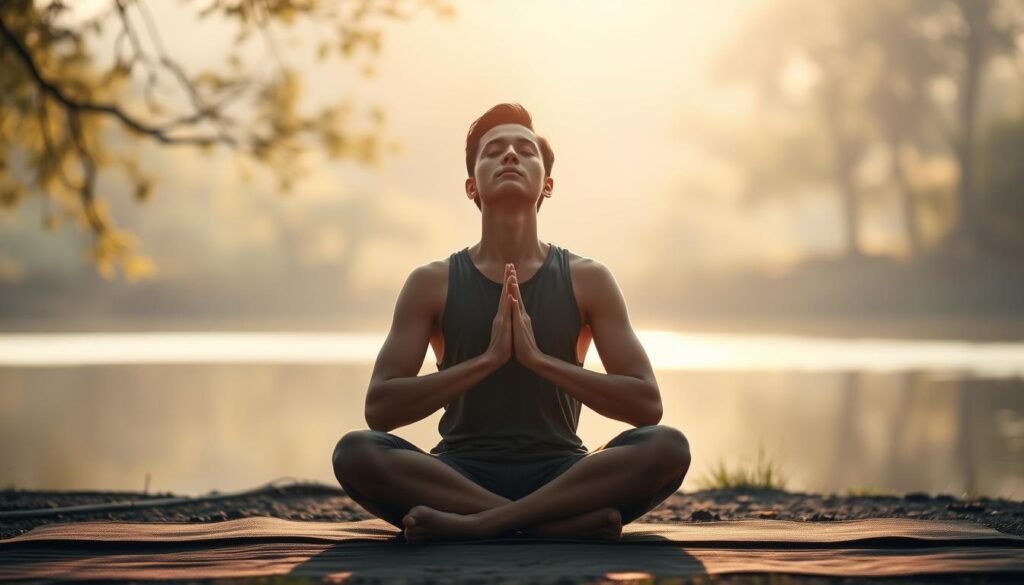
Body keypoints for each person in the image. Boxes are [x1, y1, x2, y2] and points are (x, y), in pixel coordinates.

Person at [332, 103, 690, 543]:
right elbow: (380, 409)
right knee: (357, 452)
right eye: (493, 150)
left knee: (667, 446)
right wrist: (488, 360)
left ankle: (481, 525)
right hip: (458, 474)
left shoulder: (587, 279)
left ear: (548, 184)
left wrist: (540, 361)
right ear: (471, 186)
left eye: (525, 150)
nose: (510, 156)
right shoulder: (431, 283)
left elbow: (646, 404)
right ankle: (547, 525)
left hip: (563, 472)